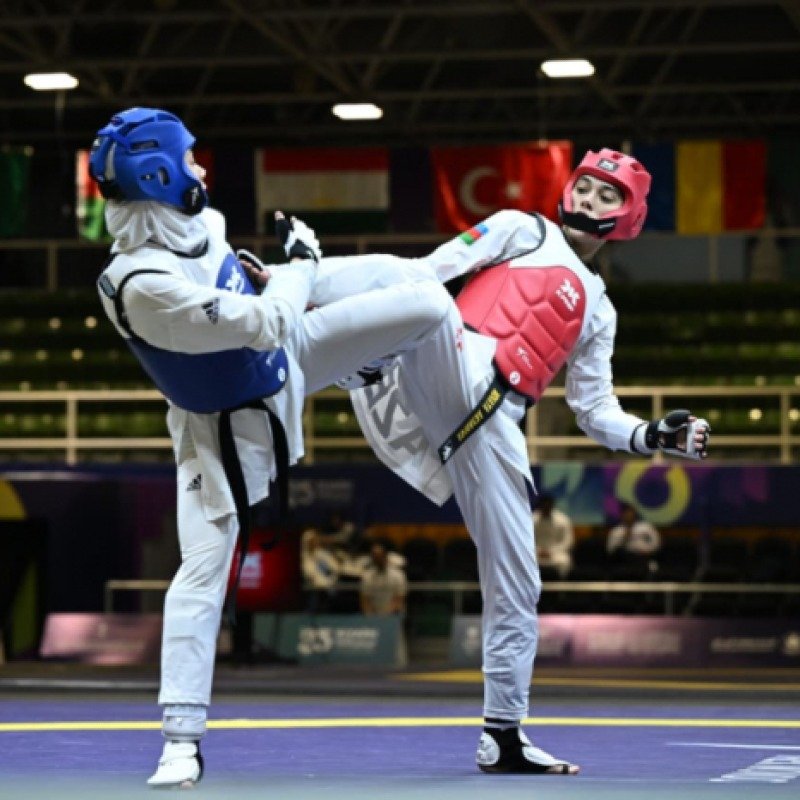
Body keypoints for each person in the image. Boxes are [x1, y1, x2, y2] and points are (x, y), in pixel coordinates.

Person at [89, 107, 453, 788]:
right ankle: (180, 739)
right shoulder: (139, 286)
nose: (200, 169)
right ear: (161, 175)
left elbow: (249, 290)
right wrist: (301, 267)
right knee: (202, 573)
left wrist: (267, 270)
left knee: (424, 297)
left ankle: (395, 388)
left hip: (288, 358)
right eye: (189, 160)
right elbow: (269, 321)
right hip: (225, 426)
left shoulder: (205, 222)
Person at [341, 148, 711, 775]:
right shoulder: (522, 227)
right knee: (425, 298)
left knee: (520, 583)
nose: (590, 200)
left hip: (495, 426)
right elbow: (430, 269)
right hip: (445, 361)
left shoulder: (600, 308)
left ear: (630, 215)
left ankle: (502, 736)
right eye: (585, 187)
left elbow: (594, 411)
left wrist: (651, 435)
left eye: (607, 196)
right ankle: (294, 297)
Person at [606, 501, 661, 571]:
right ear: (622, 515)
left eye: (631, 513)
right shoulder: (616, 531)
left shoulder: (646, 527)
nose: (629, 515)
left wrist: (648, 551)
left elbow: (657, 542)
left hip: (644, 556)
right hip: (625, 559)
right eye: (626, 513)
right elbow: (610, 550)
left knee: (649, 565)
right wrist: (624, 538)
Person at [532, 494, 575, 579]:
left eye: (548, 507)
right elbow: (525, 541)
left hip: (556, 553)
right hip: (535, 553)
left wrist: (551, 552)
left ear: (552, 506)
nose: (546, 509)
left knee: (564, 561)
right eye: (543, 507)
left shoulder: (562, 520)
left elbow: (568, 541)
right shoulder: (531, 520)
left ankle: (561, 588)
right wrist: (538, 551)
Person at [360, 542, 407, 616]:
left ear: (385, 556)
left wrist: (385, 616)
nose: (378, 560)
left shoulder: (398, 575)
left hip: (394, 614)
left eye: (379, 557)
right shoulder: (367, 575)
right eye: (375, 557)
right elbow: (365, 599)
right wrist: (370, 615)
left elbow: (399, 598)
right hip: (373, 615)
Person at [300, 530, 340, 612]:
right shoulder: (304, 558)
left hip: (330, 586)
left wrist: (331, 579)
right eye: (312, 541)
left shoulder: (323, 554)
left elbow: (336, 568)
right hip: (314, 589)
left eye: (315, 540)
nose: (315, 542)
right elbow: (308, 574)